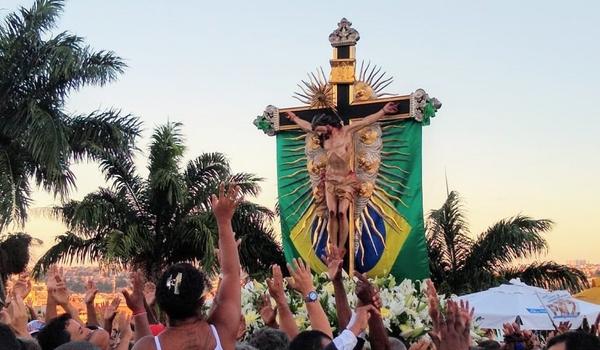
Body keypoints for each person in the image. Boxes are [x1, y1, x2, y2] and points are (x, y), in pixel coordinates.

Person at [131, 184, 243, 350]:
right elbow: (231, 274)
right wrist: (224, 221)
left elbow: (231, 274)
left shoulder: (147, 347)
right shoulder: (222, 331)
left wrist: (140, 308)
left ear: (161, 305)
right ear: (202, 300)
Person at [286, 102, 400, 250]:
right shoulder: (324, 137)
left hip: (347, 180)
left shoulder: (347, 131)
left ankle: (341, 247)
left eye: (321, 128)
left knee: (341, 213)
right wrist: (294, 117)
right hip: (329, 180)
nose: (320, 132)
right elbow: (308, 127)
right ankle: (333, 247)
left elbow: (367, 121)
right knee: (332, 212)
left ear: (329, 124)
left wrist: (383, 111)